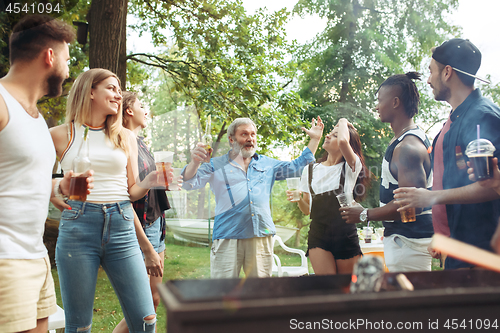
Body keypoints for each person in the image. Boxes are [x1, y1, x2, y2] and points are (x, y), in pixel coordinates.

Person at [50, 69, 161, 332]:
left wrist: (150, 181)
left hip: (121, 224)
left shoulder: (125, 136)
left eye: (119, 90)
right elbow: (35, 179)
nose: (118, 94)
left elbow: (132, 190)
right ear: (90, 91)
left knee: (146, 320)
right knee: (79, 326)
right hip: (78, 226)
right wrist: (56, 190)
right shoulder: (59, 135)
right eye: (111, 88)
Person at [0, 15, 88, 333]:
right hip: (6, 261)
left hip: (37, 257)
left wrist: (57, 184)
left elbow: (19, 172)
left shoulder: (37, 118)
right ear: (49, 57)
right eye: (66, 59)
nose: (68, 70)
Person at [393, 39, 500, 269]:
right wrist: (441, 232)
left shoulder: (483, 117)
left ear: (448, 72)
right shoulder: (451, 122)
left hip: (481, 254)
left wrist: (430, 197)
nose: (429, 79)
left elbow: (492, 186)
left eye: (431, 71)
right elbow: (451, 185)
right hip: (456, 249)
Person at [182, 117, 323, 278]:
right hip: (228, 236)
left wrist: (315, 139)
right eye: (244, 134)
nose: (250, 139)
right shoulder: (215, 165)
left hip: (260, 236)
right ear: (231, 139)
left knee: (260, 293)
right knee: (224, 292)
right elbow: (188, 182)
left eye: (253, 134)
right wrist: (194, 163)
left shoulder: (267, 164)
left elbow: (297, 167)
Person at [340, 73, 434, 272]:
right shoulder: (404, 140)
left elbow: (411, 206)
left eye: (379, 100)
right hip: (404, 244)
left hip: (409, 245)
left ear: (395, 102)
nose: (376, 106)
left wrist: (364, 214)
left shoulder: (407, 147)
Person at [113, 91, 172, 333]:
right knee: (143, 308)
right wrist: (145, 243)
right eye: (140, 105)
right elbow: (127, 194)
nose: (145, 111)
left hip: (156, 222)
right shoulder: (122, 142)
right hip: (140, 225)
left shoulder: (142, 143)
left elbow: (149, 182)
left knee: (154, 300)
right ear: (128, 111)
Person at [288, 118, 369, 275]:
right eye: (330, 134)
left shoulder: (351, 166)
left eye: (334, 135)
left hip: (345, 234)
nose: (327, 136)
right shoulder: (310, 170)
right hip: (318, 234)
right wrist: (298, 198)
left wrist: (343, 120)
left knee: (346, 288)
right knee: (328, 286)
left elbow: (344, 142)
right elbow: (307, 210)